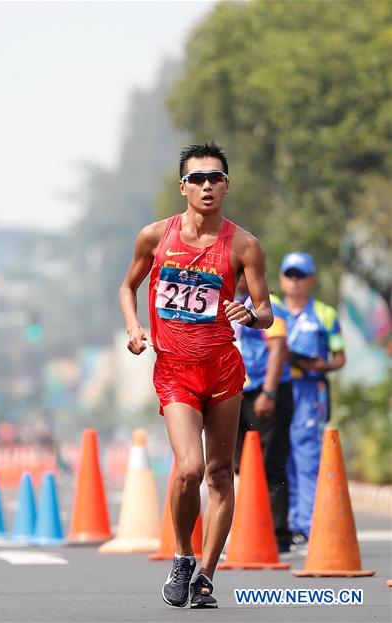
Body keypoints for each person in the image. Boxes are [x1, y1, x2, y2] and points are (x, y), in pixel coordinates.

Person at [119, 142, 273, 609]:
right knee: (188, 468)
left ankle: (205, 575)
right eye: (198, 178)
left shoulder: (244, 246)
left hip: (223, 370)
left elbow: (266, 311)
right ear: (182, 186)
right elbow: (128, 287)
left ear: (227, 185)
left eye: (216, 178)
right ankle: (183, 555)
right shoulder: (155, 237)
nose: (207, 186)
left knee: (220, 473)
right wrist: (134, 327)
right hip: (174, 370)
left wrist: (249, 313)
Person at [278, 251, 345, 548]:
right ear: (281, 279)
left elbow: (340, 357)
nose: (294, 282)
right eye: (289, 275)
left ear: (311, 280)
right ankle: (286, 524)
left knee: (306, 457)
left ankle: (307, 525)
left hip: (309, 391)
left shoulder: (325, 313)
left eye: (300, 276)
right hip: (279, 389)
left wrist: (322, 366)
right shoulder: (272, 309)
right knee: (281, 458)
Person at [233, 275, 294, 552]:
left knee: (271, 464)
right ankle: (250, 529)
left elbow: (278, 347)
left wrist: (269, 392)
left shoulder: (268, 306)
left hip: (266, 394)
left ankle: (278, 535)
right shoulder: (230, 304)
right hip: (238, 394)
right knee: (238, 465)